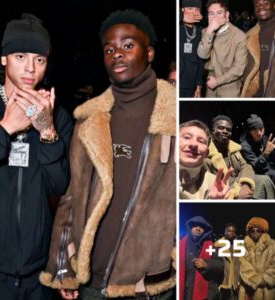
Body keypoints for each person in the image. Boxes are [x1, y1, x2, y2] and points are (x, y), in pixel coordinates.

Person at [40, 9, 176, 300]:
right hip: (91, 284)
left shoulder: (176, 116)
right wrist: (64, 268)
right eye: (109, 49)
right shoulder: (90, 120)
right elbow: (71, 199)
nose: (117, 54)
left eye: (128, 45)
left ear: (149, 53)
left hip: (147, 287)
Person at [0, 14, 73, 300]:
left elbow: (57, 187)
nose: (31, 68)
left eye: (39, 59)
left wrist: (48, 133)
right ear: (4, 58)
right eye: (20, 56)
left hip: (35, 272)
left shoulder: (56, 116)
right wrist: (5, 128)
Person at [197, 0, 248, 97]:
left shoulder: (239, 36)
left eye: (219, 13)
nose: (215, 18)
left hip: (230, 89)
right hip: (210, 88)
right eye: (211, 14)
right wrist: (209, 32)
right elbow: (202, 55)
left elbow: (239, 68)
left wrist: (217, 81)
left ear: (227, 15)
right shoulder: (206, 32)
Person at [179, 119, 232, 199]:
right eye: (187, 137)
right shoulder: (156, 174)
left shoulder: (214, 183)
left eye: (201, 141)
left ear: (206, 153)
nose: (193, 144)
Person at [207, 115, 256, 199]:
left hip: (238, 182)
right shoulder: (205, 152)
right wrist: (234, 194)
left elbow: (245, 166)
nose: (225, 131)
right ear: (212, 131)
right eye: (221, 128)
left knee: (265, 179)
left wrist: (245, 185)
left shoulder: (234, 149)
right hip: (221, 190)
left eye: (228, 130)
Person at [179, 216, 224, 300]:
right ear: (190, 227)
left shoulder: (211, 246)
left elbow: (221, 265)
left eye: (201, 227)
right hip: (185, 292)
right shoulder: (180, 246)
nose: (198, 229)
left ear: (205, 230)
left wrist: (207, 264)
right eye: (195, 226)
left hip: (206, 294)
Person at [241, 0, 275, 97]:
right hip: (255, 96)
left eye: (266, 3)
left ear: (273, 5)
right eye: (257, 4)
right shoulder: (249, 36)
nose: (261, 7)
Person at [239, 217, 275, 299]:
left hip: (268, 289)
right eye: (252, 231)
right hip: (250, 288)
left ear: (262, 232)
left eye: (258, 230)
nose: (255, 233)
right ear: (249, 233)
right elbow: (243, 264)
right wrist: (256, 279)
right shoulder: (243, 246)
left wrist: (266, 279)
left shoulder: (273, 245)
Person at [180, 0, 205, 98]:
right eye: (190, 8)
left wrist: (199, 86)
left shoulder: (200, 32)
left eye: (197, 9)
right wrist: (181, 18)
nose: (194, 12)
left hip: (192, 86)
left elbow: (201, 61)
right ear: (182, 10)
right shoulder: (178, 29)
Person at [241, 114, 275, 183]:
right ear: (250, 132)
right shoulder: (245, 146)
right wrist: (266, 153)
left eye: (261, 129)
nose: (259, 133)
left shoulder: (265, 138)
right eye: (255, 131)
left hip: (269, 168)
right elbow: (257, 167)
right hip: (257, 173)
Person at [214, 223, 240, 300]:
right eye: (229, 231)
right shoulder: (218, 246)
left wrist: (240, 281)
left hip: (236, 284)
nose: (231, 233)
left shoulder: (239, 246)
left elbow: (241, 263)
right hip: (223, 284)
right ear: (224, 232)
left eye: (233, 231)